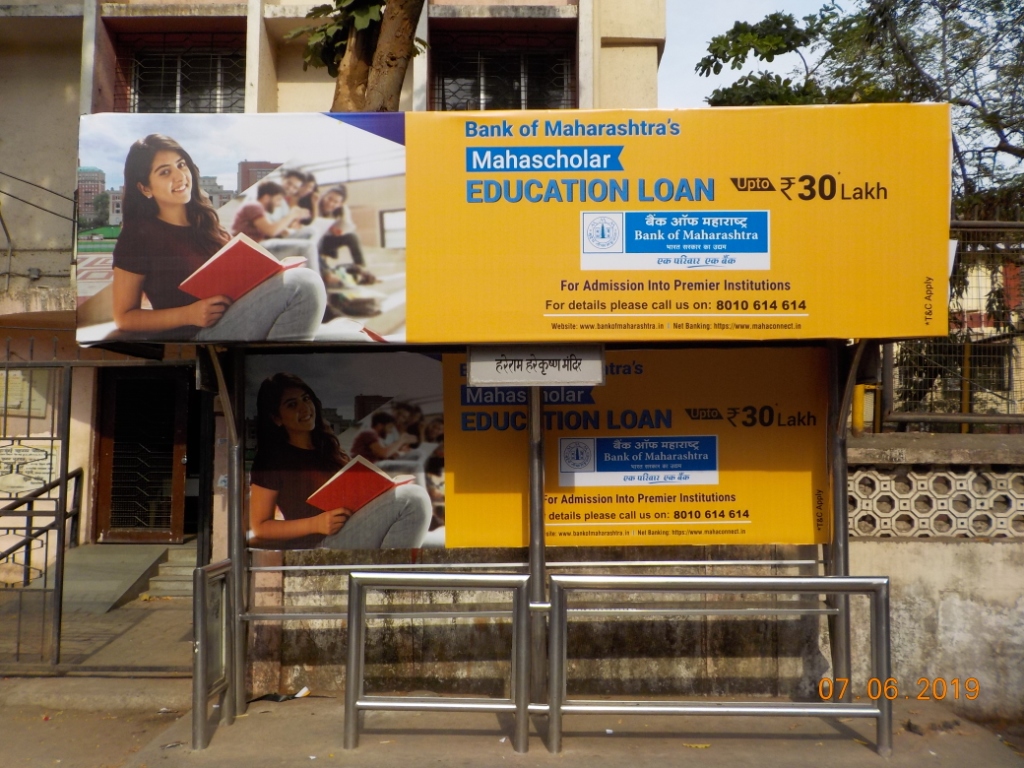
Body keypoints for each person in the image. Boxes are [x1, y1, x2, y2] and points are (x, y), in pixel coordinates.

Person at [111, 134, 326, 342]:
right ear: (145, 187)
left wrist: (273, 272)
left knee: (331, 321)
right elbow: (124, 317)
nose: (180, 176)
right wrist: (189, 314)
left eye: (181, 165)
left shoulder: (204, 221)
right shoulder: (138, 236)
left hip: (237, 314)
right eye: (165, 172)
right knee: (304, 284)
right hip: (200, 334)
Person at [249, 373, 431, 549]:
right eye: (292, 405)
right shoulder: (271, 460)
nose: (304, 408)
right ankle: (389, 570)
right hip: (318, 545)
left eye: (306, 399)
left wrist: (387, 489)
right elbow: (260, 526)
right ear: (276, 418)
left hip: (353, 528)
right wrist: (316, 524)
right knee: (412, 498)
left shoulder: (328, 448)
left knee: (430, 532)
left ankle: (388, 568)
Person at [349, 411, 416, 463]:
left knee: (414, 456)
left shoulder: (376, 437)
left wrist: (399, 452)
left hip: (370, 464)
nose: (390, 431)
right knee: (415, 465)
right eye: (389, 427)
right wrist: (402, 440)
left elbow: (385, 455)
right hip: (363, 465)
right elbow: (384, 454)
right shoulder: (369, 433)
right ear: (380, 425)